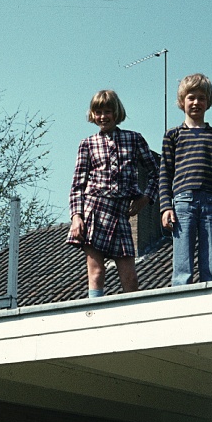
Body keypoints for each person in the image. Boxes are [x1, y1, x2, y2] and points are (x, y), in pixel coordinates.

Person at [67, 90, 159, 298]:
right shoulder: (87, 144)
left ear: (116, 112)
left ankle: (132, 318)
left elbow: (156, 172)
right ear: (92, 114)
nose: (102, 116)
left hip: (120, 214)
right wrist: (76, 217)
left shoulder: (134, 139)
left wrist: (145, 198)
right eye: (98, 112)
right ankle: (95, 315)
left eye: (107, 111)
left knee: (130, 277)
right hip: (94, 211)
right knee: (96, 272)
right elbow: (77, 185)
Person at [159, 73, 212, 285]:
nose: (196, 102)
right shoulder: (172, 136)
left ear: (208, 101)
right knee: (182, 266)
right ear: (182, 101)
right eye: (191, 97)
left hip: (211, 203)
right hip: (183, 203)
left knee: (211, 266)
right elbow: (165, 173)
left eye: (201, 97)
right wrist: (166, 207)